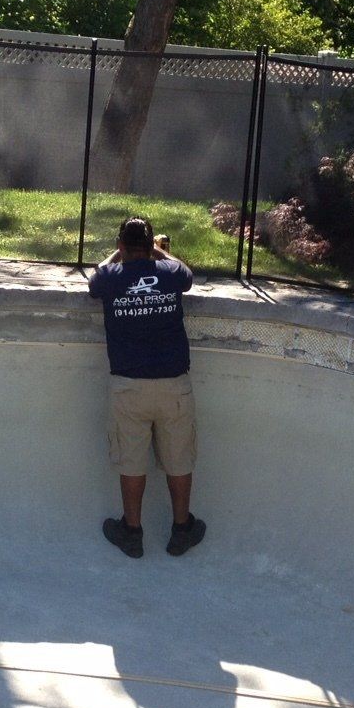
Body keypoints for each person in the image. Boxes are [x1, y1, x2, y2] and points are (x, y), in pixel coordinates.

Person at [87, 218, 207, 559]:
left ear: (121, 245)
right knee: (179, 458)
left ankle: (132, 531)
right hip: (174, 385)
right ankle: (182, 529)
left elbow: (94, 281)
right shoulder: (168, 273)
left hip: (129, 386)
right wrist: (156, 251)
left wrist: (117, 255)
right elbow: (186, 274)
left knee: (131, 459)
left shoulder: (111, 277)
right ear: (152, 244)